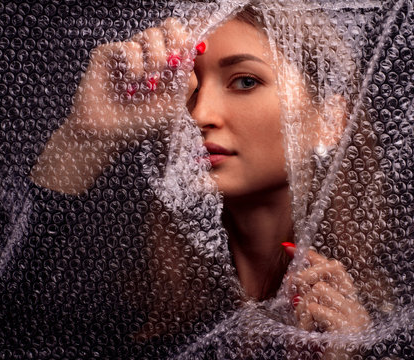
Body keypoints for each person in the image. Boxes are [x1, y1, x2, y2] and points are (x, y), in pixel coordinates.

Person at [30, 3, 371, 338]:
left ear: (328, 121)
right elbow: (0, 315)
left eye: (245, 82)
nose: (199, 115)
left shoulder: (392, 319)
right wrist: (84, 137)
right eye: (186, 88)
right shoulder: (115, 297)